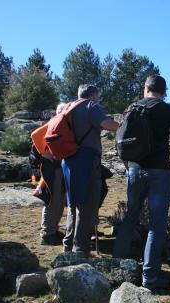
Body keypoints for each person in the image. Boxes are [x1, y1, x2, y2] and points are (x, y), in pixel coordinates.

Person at [113, 75, 170, 291]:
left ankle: (117, 267)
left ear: (146, 88)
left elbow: (121, 141)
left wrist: (130, 166)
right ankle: (150, 277)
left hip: (134, 170)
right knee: (156, 225)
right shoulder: (168, 111)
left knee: (130, 216)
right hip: (159, 173)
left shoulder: (131, 108)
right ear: (164, 91)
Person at [62, 84, 118, 256]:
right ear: (93, 95)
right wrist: (121, 125)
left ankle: (68, 246)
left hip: (68, 160)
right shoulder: (91, 106)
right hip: (86, 160)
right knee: (87, 206)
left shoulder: (67, 108)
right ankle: (80, 250)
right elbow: (108, 125)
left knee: (73, 204)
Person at [33, 102, 67, 245]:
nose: (64, 113)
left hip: (59, 168)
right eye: (62, 110)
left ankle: (53, 229)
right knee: (52, 201)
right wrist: (44, 153)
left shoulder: (63, 124)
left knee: (59, 201)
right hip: (52, 169)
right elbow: (35, 135)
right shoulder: (54, 122)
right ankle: (46, 234)